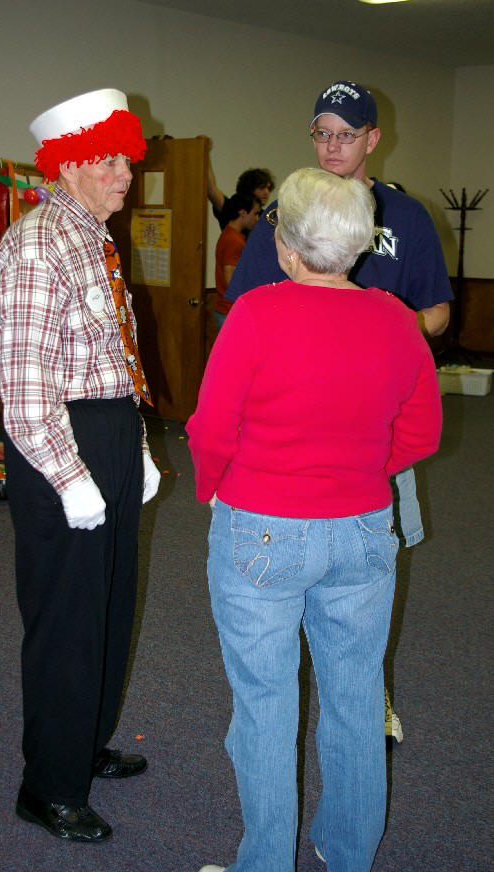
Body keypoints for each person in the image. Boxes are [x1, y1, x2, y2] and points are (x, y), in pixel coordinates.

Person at [187, 167, 442, 872]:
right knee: (357, 697)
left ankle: (267, 863)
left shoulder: (256, 314)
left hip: (261, 527)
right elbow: (421, 434)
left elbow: (211, 429)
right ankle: (347, 852)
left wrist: (213, 489)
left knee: (265, 701)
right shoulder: (397, 318)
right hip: (363, 529)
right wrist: (358, 470)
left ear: (288, 247)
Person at [225, 79, 454, 742]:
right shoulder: (286, 212)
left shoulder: (405, 216)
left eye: (346, 135)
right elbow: (245, 308)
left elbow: (438, 311)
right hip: (289, 426)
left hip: (373, 426)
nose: (332, 147)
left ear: (372, 139)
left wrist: (382, 333)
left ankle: (368, 693)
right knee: (279, 575)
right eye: (322, 133)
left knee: (362, 573)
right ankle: (290, 691)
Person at [0, 88, 160, 843]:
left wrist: (137, 449)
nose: (126, 175)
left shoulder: (93, 236)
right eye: (109, 161)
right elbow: (23, 386)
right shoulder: (37, 243)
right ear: (68, 164)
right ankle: (49, 787)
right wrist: (70, 475)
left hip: (108, 432)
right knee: (66, 620)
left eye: (128, 159)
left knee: (109, 608)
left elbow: (111, 357)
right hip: (61, 443)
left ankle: (83, 745)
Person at [214, 193, 262, 329]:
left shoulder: (229, 235)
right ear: (243, 213)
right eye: (255, 214)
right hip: (230, 312)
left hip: (228, 310)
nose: (257, 219)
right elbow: (231, 280)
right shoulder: (233, 241)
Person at [206, 147, 274, 229]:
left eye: (268, 188)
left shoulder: (265, 216)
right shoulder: (231, 207)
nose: (266, 192)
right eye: (261, 187)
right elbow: (211, 189)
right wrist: (205, 151)